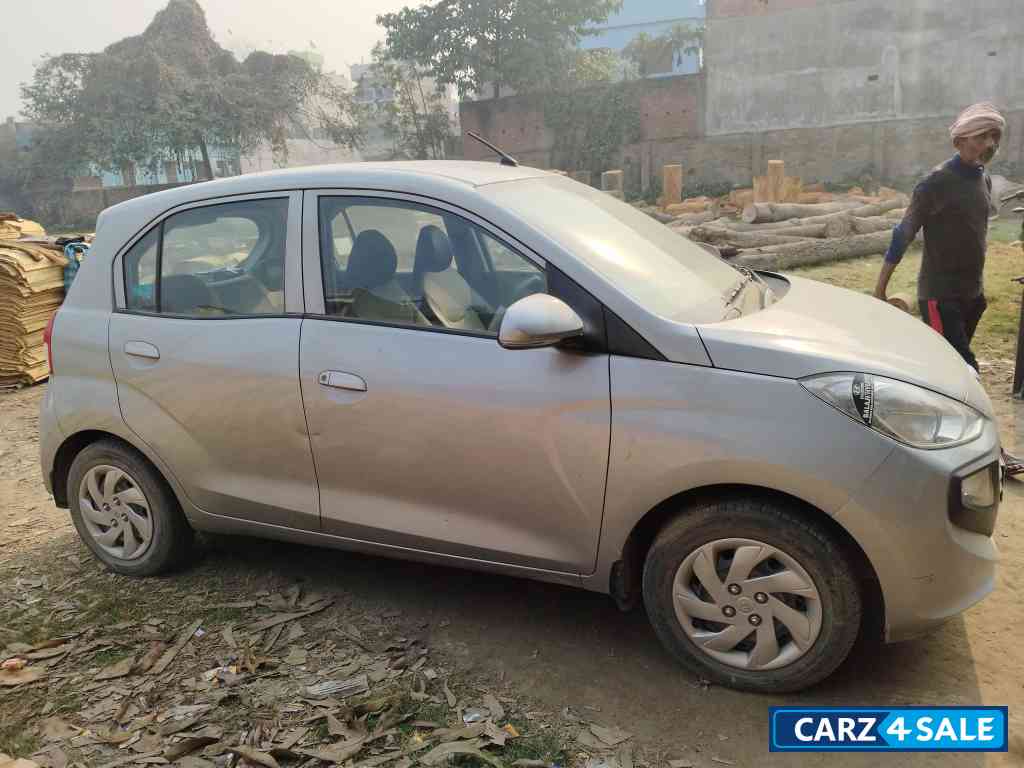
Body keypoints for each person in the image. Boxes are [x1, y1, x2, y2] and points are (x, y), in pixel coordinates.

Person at [873, 101, 1022, 476]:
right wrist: (880, 289)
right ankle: (995, 456)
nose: (989, 143)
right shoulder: (935, 182)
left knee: (950, 378)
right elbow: (902, 233)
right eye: (981, 136)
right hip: (940, 296)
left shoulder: (983, 178)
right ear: (960, 139)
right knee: (968, 372)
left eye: (994, 136)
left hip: (972, 296)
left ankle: (933, 443)